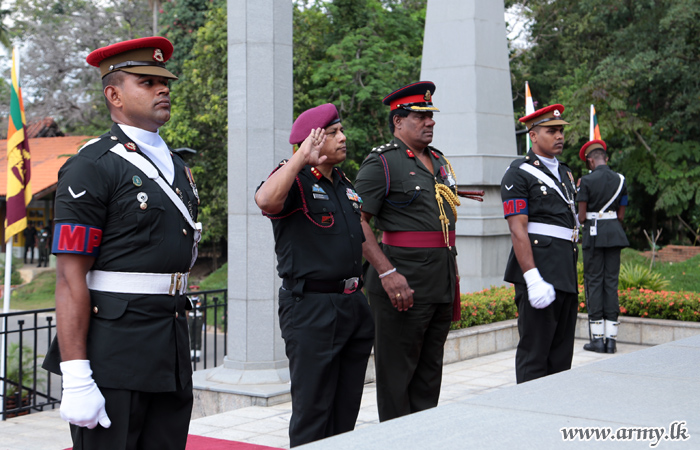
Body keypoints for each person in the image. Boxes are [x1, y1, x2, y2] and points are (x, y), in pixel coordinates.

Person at [42, 36, 201, 450]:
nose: (163, 88)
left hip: (170, 345)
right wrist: (76, 376)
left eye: (164, 81)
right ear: (114, 94)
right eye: (147, 82)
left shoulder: (179, 168)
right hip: (114, 354)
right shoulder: (91, 166)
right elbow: (70, 276)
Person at [255, 103, 374, 447]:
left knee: (345, 407)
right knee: (312, 411)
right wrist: (299, 159)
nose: (343, 137)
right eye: (334, 133)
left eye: (341, 130)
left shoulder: (344, 184)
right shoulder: (294, 180)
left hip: (351, 304)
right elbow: (265, 200)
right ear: (311, 141)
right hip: (311, 307)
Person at [354, 81, 461, 422]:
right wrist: (387, 272)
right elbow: (357, 222)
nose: (429, 122)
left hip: (440, 281)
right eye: (420, 116)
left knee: (430, 376)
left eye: (431, 116)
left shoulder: (439, 161)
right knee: (397, 378)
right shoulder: (382, 163)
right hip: (403, 286)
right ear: (398, 121)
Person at [500, 104, 579, 384]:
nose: (559, 136)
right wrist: (532, 278)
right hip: (540, 272)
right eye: (551, 131)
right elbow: (517, 229)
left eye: (560, 130)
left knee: (560, 357)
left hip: (565, 272)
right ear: (533, 136)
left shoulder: (566, 173)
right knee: (535, 355)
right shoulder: (518, 174)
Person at [577, 139, 629, 354]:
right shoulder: (620, 180)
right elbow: (621, 214)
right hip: (614, 234)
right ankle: (611, 340)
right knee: (611, 283)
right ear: (606, 158)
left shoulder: (586, 181)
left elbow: (581, 217)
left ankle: (597, 339)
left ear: (590, 161)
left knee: (594, 282)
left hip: (594, 234)